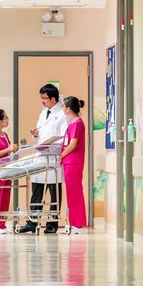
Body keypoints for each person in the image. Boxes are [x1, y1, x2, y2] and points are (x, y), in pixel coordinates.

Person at [18, 84, 68, 233]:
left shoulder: (63, 114)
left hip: (53, 157)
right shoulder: (43, 113)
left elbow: (64, 137)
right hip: (41, 156)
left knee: (54, 192)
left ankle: (52, 224)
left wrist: (51, 144)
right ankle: (32, 223)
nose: (42, 101)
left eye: (44, 98)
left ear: (53, 99)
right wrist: (35, 134)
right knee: (37, 191)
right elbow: (40, 132)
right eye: (41, 98)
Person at [59, 96, 87, 234]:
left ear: (69, 109)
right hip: (69, 162)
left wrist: (61, 155)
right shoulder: (73, 123)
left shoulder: (77, 123)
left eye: (63, 106)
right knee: (71, 192)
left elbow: (72, 145)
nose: (62, 108)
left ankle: (78, 224)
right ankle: (73, 223)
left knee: (75, 193)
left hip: (73, 161)